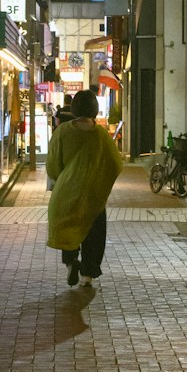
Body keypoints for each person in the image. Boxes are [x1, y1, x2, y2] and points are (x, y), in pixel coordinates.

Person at [46, 88, 123, 288]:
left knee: (68, 228)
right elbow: (116, 163)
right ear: (95, 109)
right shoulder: (101, 135)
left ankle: (71, 262)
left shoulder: (62, 131)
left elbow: (53, 164)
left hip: (67, 192)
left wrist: (63, 179)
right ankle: (87, 275)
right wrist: (100, 180)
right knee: (94, 233)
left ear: (74, 108)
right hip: (92, 194)